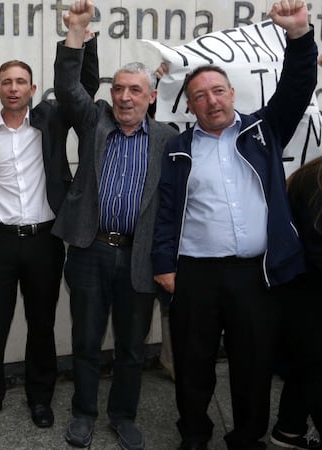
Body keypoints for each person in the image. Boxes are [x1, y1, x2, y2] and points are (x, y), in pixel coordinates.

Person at [151, 0, 317, 448]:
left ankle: (247, 436)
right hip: (196, 274)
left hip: (255, 275)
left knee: (254, 365)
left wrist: (299, 35)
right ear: (190, 106)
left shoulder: (264, 129)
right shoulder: (178, 148)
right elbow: (168, 211)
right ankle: (194, 434)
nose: (211, 100)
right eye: (200, 95)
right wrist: (164, 263)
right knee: (192, 363)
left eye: (218, 91)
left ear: (232, 94)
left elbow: (298, 85)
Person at [0, 27, 98, 431]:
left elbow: (83, 87)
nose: (14, 88)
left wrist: (83, 43)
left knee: (42, 324)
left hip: (44, 241)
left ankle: (41, 399)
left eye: (21, 82)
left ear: (33, 88)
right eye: (6, 83)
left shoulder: (52, 120)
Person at [54, 1, 178, 449]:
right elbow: (68, 88)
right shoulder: (95, 122)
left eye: (135, 90)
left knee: (130, 349)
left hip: (140, 258)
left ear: (150, 97)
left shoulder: (167, 140)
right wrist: (77, 32)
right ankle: (84, 414)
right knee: (86, 341)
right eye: (120, 89)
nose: (125, 97)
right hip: (90, 252)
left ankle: (123, 416)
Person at [270, 155, 322, 450]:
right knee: (315, 367)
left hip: (297, 293)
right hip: (307, 296)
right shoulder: (313, 182)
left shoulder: (308, 174)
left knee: (306, 366)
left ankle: (288, 429)